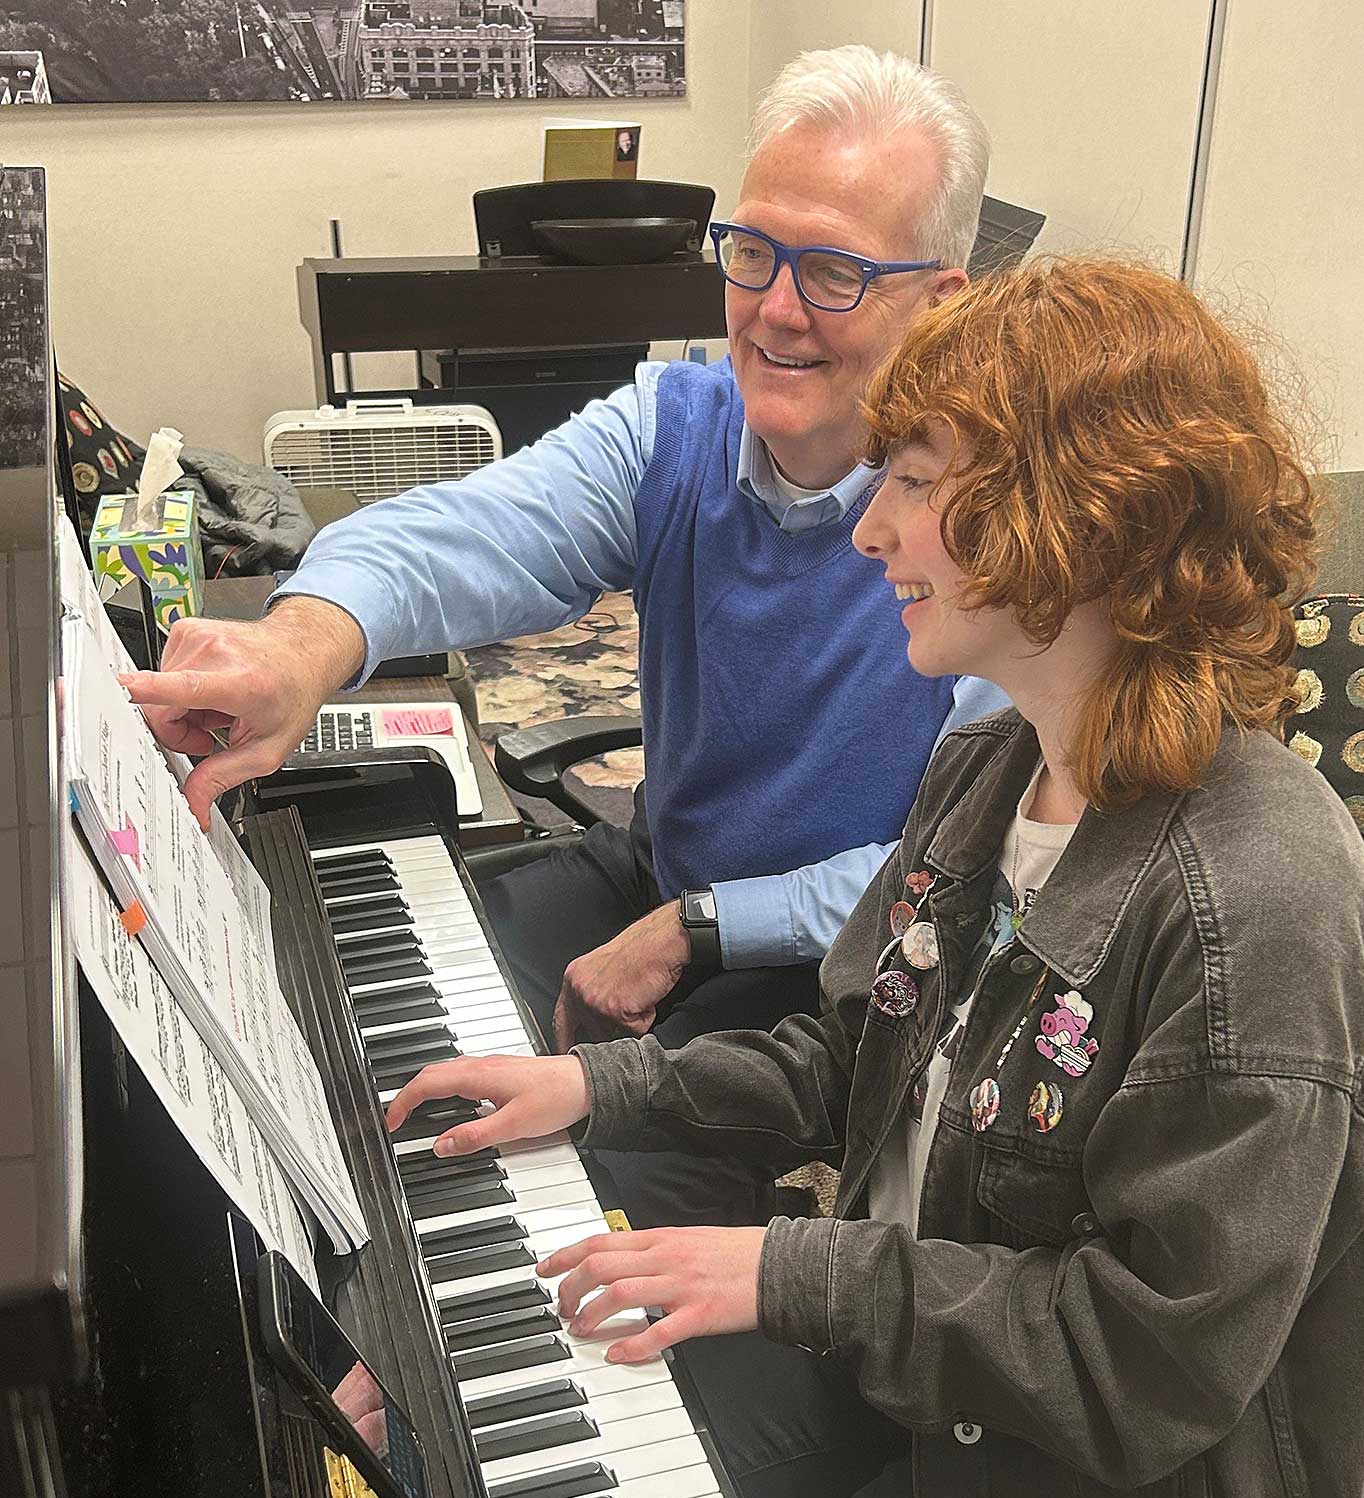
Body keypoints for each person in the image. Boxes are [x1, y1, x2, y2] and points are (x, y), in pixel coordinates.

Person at [383, 260, 1364, 1498]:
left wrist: (794, 1272)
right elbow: (856, 1049)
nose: (869, 529)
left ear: (1083, 509)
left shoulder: (1259, 907)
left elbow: (1147, 1367)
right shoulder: (994, 766)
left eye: (916, 480)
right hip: (937, 1376)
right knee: (509, 1456)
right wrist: (591, 1082)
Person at [121, 45, 1005, 1226]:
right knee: (354, 1007)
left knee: (580, 1204)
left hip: (838, 970)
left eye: (835, 271)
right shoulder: (675, 422)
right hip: (664, 863)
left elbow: (965, 877)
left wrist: (703, 930)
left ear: (941, 301)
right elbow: (457, 535)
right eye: (754, 254)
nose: (777, 310)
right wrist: (298, 650)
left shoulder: (990, 535)